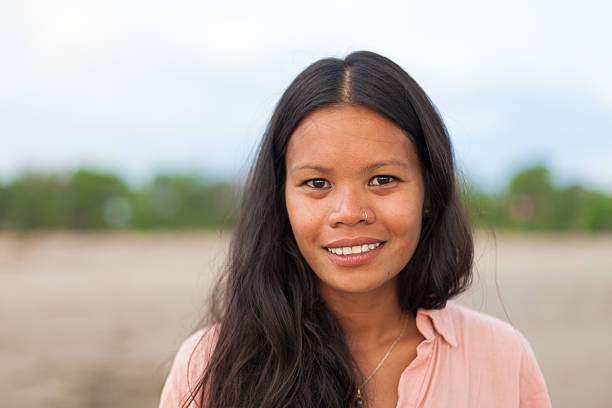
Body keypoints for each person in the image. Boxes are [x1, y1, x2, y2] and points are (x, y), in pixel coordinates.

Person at [159, 51, 551, 408]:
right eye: (317, 184)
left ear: (429, 192)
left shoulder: (501, 358)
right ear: (280, 199)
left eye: (382, 179)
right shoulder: (211, 366)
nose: (348, 213)